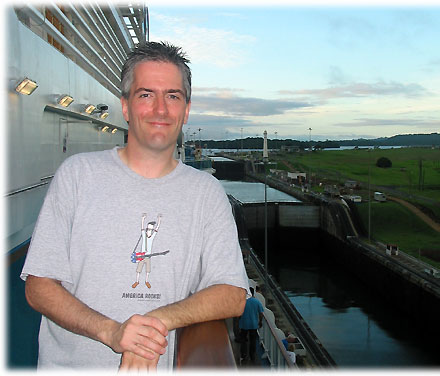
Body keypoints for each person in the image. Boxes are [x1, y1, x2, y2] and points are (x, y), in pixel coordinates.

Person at [21, 41, 249, 370]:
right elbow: (39, 286)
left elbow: (232, 293)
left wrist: (152, 322)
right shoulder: (77, 175)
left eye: (173, 96)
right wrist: (113, 333)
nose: (160, 109)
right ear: (125, 107)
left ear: (185, 111)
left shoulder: (207, 192)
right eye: (145, 95)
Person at [238, 286, 264, 364]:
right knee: (253, 341)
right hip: (253, 325)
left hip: (243, 324)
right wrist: (260, 321)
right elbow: (261, 313)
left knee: (243, 340)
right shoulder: (257, 302)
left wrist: (240, 319)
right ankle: (252, 356)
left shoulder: (242, 301)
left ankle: (243, 355)